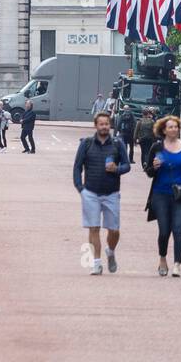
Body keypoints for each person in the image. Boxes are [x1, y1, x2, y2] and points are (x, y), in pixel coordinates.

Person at [144, 114, 181, 278]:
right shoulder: (157, 148)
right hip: (160, 194)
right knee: (164, 230)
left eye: (176, 127)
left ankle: (177, 264)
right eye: (170, 127)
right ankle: (163, 258)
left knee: (178, 229)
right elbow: (148, 172)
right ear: (163, 130)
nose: (174, 129)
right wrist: (154, 167)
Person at [73, 111, 129, 275]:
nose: (104, 127)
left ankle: (110, 251)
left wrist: (116, 169)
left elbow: (127, 165)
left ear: (110, 125)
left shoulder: (118, 144)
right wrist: (80, 188)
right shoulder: (86, 143)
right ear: (96, 126)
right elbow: (77, 167)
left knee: (114, 230)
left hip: (111, 193)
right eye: (101, 124)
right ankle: (96, 263)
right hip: (90, 192)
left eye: (106, 124)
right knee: (94, 228)